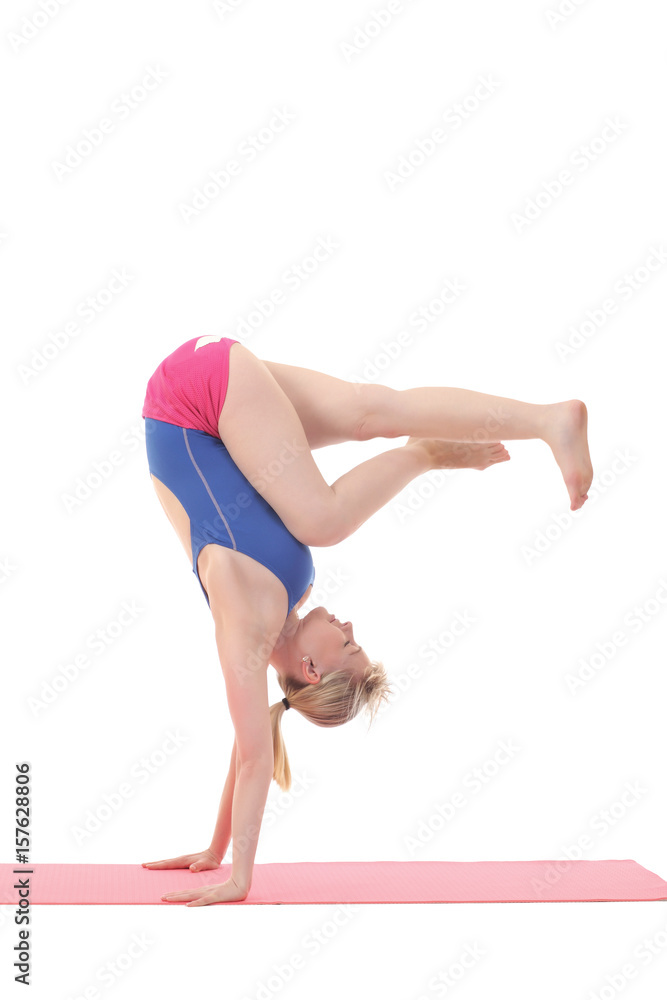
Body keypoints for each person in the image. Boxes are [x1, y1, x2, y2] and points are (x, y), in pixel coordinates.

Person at [140, 334, 593, 906]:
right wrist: (216, 847)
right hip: (211, 399)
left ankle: (426, 453)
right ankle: (549, 418)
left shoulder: (247, 626)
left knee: (325, 517)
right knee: (371, 412)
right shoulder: (288, 599)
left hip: (189, 401)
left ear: (310, 668)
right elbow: (251, 740)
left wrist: (236, 874)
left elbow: (252, 756)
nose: (349, 628)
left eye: (348, 646)